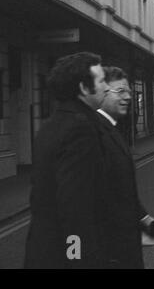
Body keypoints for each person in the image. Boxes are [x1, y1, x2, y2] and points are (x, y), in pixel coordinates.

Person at [25, 52, 110, 268]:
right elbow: (75, 207)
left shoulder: (50, 125)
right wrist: (78, 259)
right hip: (66, 256)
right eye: (101, 81)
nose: (106, 87)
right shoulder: (81, 129)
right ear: (83, 88)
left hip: (41, 249)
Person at [96, 66, 154, 268]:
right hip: (111, 250)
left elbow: (121, 189)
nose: (128, 96)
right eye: (120, 91)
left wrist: (146, 219)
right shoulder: (94, 132)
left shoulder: (112, 128)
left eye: (128, 91)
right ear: (102, 92)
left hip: (122, 243)